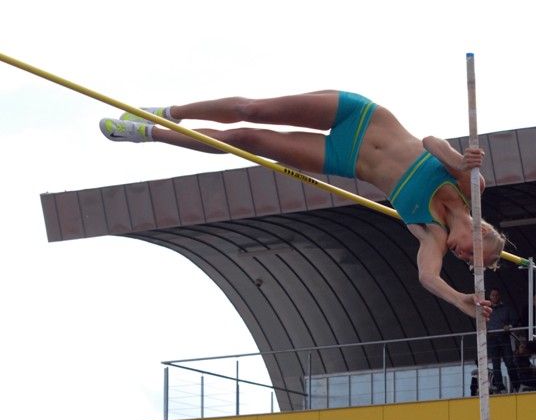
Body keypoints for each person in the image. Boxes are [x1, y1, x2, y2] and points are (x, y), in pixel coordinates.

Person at [100, 91, 503, 319]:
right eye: (473, 257)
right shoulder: (472, 185)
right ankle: (173, 112)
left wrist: (459, 299)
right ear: (481, 232)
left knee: (246, 139)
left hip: (344, 157)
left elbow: (427, 278)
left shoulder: (430, 232)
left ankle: (149, 132)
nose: (464, 259)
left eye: (470, 267)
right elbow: (432, 141)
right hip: (362, 116)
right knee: (252, 110)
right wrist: (458, 161)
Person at [487, 288, 519, 392]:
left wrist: (510, 326)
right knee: (495, 364)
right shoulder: (486, 309)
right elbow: (480, 322)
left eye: (496, 295)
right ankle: (500, 388)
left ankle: (516, 386)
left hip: (504, 337)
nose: (494, 297)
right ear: (489, 297)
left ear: (499, 296)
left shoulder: (506, 308)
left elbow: (515, 319)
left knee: (509, 362)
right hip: (492, 339)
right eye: (492, 295)